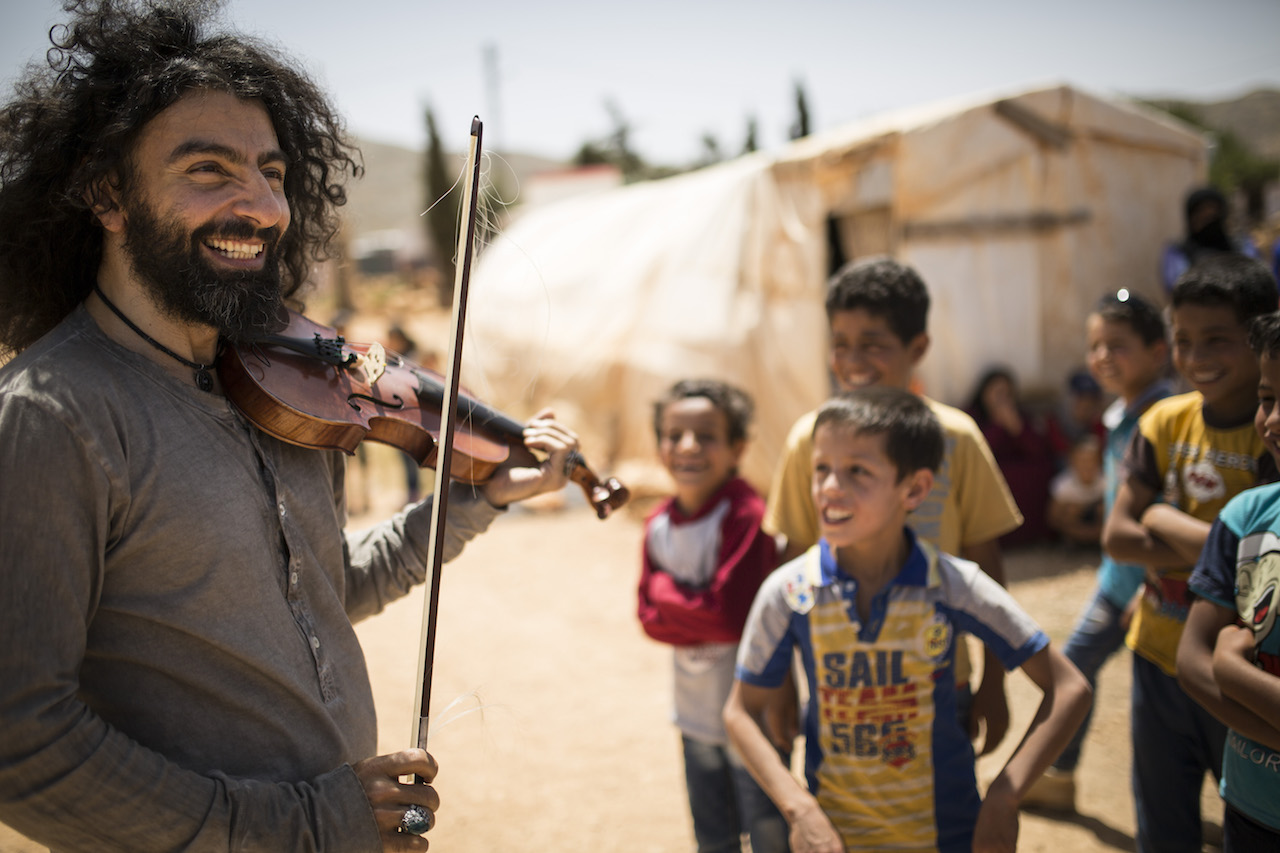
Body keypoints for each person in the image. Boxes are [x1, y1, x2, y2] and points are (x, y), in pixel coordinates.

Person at [0, 2, 581, 850]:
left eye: (272, 172)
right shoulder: (53, 415)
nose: (262, 206)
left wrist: (479, 497)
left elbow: (324, 588)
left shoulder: (286, 383)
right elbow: (23, 742)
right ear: (107, 193)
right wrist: (308, 822)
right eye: (208, 168)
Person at [723, 388, 1091, 853]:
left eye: (857, 471)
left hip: (950, 836)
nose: (830, 487)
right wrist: (799, 808)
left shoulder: (954, 586)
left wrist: (1004, 795)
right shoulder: (790, 593)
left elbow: (1070, 688)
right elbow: (740, 711)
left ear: (914, 489)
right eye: (821, 469)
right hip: (836, 840)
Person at [763, 257, 1024, 756]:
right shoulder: (809, 441)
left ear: (917, 348)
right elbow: (791, 565)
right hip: (840, 684)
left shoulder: (957, 440)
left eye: (873, 345)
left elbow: (986, 566)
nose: (853, 359)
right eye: (840, 344)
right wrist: (779, 681)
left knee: (943, 816)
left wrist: (994, 681)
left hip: (942, 680)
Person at [1103, 254, 1278, 852]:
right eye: (1183, 340)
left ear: (1260, 338)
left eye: (1218, 340)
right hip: (1158, 650)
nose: (1196, 356)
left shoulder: (1270, 433)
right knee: (1163, 818)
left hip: (1247, 667)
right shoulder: (1164, 422)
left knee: (1247, 808)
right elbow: (1117, 537)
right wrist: (1218, 548)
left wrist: (1162, 516)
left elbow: (1258, 554)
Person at [1023, 289, 1173, 810]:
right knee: (1073, 671)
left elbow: (1173, 515)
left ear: (1159, 351)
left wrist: (1156, 584)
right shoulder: (1119, 417)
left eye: (1118, 344)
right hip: (1118, 583)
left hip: (1159, 589)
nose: (1103, 357)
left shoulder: (1170, 420)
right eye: (1095, 345)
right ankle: (1059, 777)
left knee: (1173, 705)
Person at [638, 379, 787, 853]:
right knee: (713, 837)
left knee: (768, 832)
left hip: (756, 718)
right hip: (695, 717)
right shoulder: (657, 525)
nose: (687, 447)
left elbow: (729, 619)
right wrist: (688, 604)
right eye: (674, 434)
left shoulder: (746, 515)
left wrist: (664, 590)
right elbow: (647, 618)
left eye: (706, 436)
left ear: (737, 447)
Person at [1177, 310, 1280, 851]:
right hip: (1252, 807)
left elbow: (1212, 660)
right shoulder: (1245, 517)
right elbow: (1191, 662)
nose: (1274, 420)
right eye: (1267, 398)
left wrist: (1232, 668)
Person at [965, 366, 1069, 548]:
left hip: (1015, 467)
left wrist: (1017, 427)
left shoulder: (1020, 416)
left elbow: (1036, 449)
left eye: (1006, 393)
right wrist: (998, 425)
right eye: (996, 393)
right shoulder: (973, 417)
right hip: (989, 469)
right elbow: (979, 450)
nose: (1002, 399)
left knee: (1041, 469)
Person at [1160, 186, 1260, 296]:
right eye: (1201, 215)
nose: (1208, 220)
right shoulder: (1178, 252)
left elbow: (1256, 279)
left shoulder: (1242, 245)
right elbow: (1178, 286)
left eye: (1213, 215)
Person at [1046, 434, 1106, 549]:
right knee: (1071, 510)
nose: (1087, 466)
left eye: (1091, 461)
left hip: (1098, 527)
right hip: (1073, 529)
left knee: (1103, 508)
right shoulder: (1062, 485)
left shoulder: (1105, 481)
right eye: (1083, 461)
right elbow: (1052, 517)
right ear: (1072, 462)